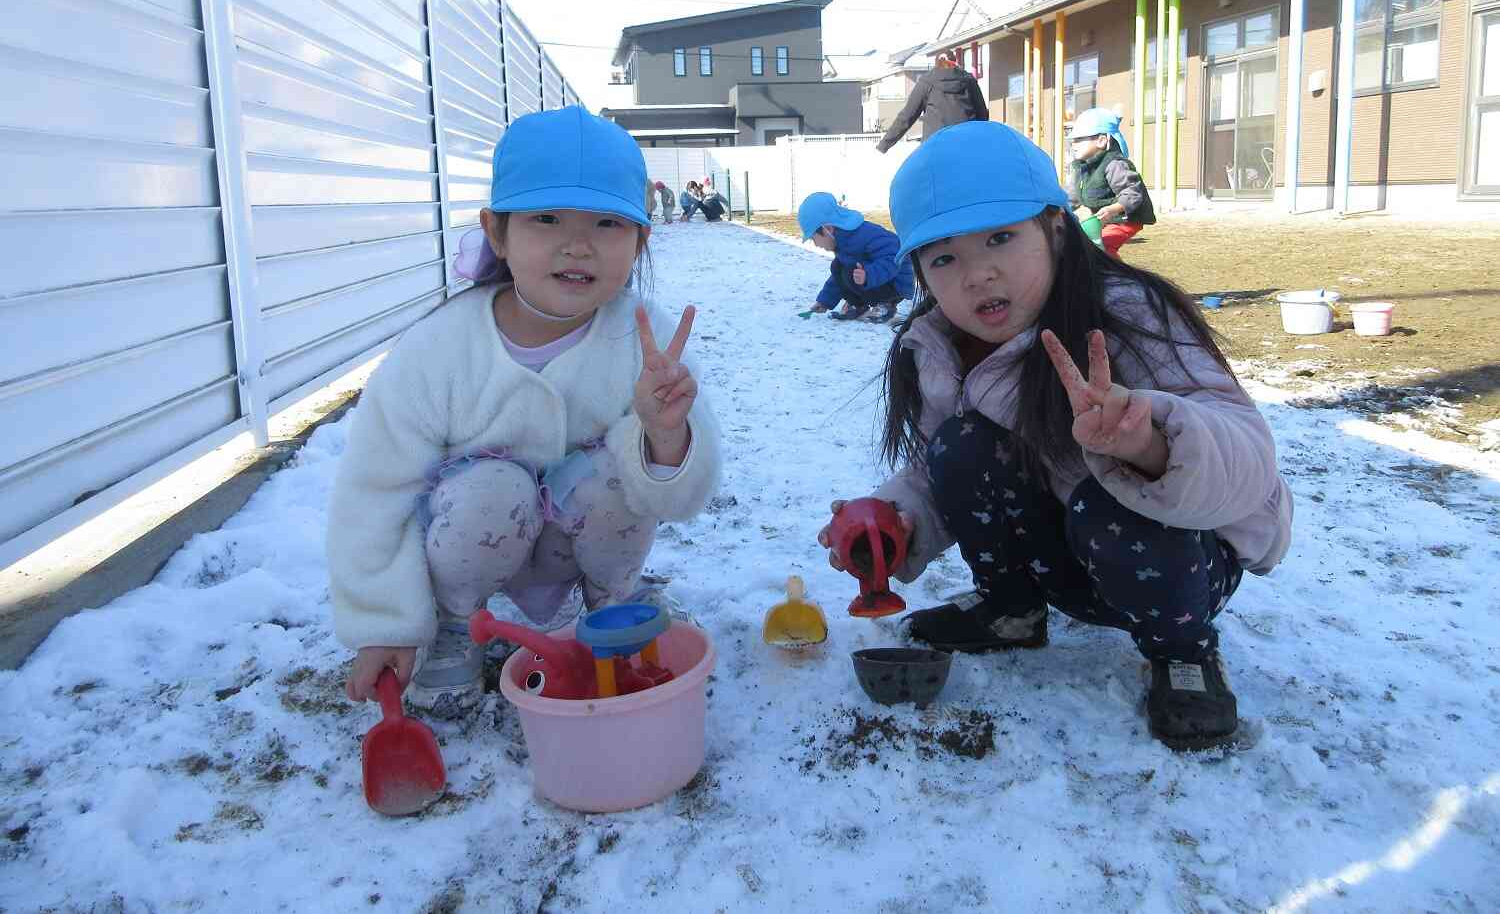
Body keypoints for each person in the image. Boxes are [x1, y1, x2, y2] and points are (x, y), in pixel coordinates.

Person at [816, 121, 1292, 750]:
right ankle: (1011, 610)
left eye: (1001, 238)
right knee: (961, 443)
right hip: (1065, 554)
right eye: (944, 257)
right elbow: (944, 471)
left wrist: (1149, 445)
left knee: (1106, 497)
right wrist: (895, 519)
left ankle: (1182, 653)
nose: (977, 274)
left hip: (1182, 561)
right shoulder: (938, 346)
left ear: (1057, 228)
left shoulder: (1129, 316)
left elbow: (1252, 464)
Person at [328, 106, 722, 718]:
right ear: (496, 232)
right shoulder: (439, 348)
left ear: (641, 238)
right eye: (545, 217)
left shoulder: (648, 345)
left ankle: (614, 603)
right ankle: (455, 623)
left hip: (585, 541)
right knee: (491, 485)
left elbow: (681, 496)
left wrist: (665, 437)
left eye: (607, 223)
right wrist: (385, 620)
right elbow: (374, 487)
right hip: (473, 539)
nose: (579, 243)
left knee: (617, 469)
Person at [797, 191, 914, 323]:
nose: (816, 244)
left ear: (828, 229)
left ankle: (886, 305)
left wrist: (868, 275)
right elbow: (837, 278)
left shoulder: (864, 234)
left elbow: (893, 257)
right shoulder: (843, 241)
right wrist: (824, 301)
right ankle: (859, 306)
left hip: (896, 284)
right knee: (838, 267)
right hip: (872, 280)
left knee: (849, 270)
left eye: (813, 238)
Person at [1067, 108, 1155, 258]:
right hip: (1104, 219)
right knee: (1085, 244)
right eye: (1072, 140)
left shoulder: (1114, 164)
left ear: (1102, 141)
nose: (1073, 144)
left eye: (1079, 139)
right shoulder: (1082, 168)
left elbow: (1133, 193)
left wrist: (1114, 209)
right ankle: (1108, 274)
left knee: (1102, 246)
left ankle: (1118, 278)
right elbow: (1072, 196)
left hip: (1125, 218)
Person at [875, 52, 989, 154]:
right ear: (955, 62)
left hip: (934, 145)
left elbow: (907, 116)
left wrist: (884, 145)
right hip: (965, 144)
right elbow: (982, 114)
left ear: (936, 63)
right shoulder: (969, 81)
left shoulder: (927, 82)